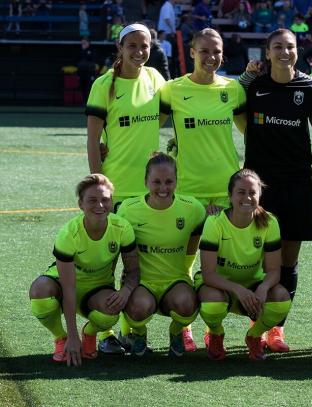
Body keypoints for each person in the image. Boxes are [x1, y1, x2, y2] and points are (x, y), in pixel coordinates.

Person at [239, 28, 312, 352]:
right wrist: (247, 73)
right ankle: (255, 327)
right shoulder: (253, 84)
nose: (285, 52)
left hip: (298, 184)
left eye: (290, 46)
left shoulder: (311, 87)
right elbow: (232, 102)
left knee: (288, 261)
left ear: (297, 51)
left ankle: (276, 328)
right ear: (268, 52)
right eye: (278, 47)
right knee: (261, 259)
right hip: (259, 188)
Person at [86, 24, 165, 353]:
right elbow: (92, 139)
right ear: (120, 47)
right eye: (131, 45)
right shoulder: (104, 85)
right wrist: (97, 181)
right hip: (116, 190)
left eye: (144, 45)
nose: (138, 51)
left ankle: (133, 330)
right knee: (110, 264)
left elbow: (158, 119)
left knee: (139, 266)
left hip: (145, 194)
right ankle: (103, 334)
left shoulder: (156, 80)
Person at [29, 174, 139, 365]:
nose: (100, 205)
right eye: (92, 200)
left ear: (112, 202)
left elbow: (134, 270)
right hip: (65, 286)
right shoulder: (69, 233)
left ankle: (89, 333)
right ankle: (60, 338)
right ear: (81, 204)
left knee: (112, 310)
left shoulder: (122, 228)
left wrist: (126, 290)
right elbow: (69, 287)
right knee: (39, 292)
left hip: (97, 288)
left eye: (105, 200)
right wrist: (72, 336)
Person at [197, 169, 292, 361]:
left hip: (252, 287)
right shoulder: (215, 223)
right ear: (230, 196)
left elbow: (274, 271)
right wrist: (238, 290)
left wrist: (264, 287)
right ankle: (215, 334)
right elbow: (208, 274)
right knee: (212, 304)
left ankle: (254, 336)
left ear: (260, 195)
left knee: (281, 298)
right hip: (220, 286)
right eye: (241, 192)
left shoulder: (269, 222)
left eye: (252, 193)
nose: (247, 197)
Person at [117, 153, 205, 357]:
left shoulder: (192, 208)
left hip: (176, 280)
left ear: (176, 181)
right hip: (143, 282)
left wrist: (187, 269)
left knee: (187, 304)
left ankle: (176, 332)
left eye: (169, 182)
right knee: (138, 308)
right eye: (156, 182)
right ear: (146, 181)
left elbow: (198, 238)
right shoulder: (128, 210)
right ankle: (138, 333)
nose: (163, 188)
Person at [160, 28, 246, 216]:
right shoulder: (172, 90)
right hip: (188, 188)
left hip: (227, 186)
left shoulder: (233, 88)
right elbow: (149, 127)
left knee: (225, 245)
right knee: (187, 246)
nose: (211, 57)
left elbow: (248, 132)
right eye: (204, 51)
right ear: (192, 52)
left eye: (217, 51)